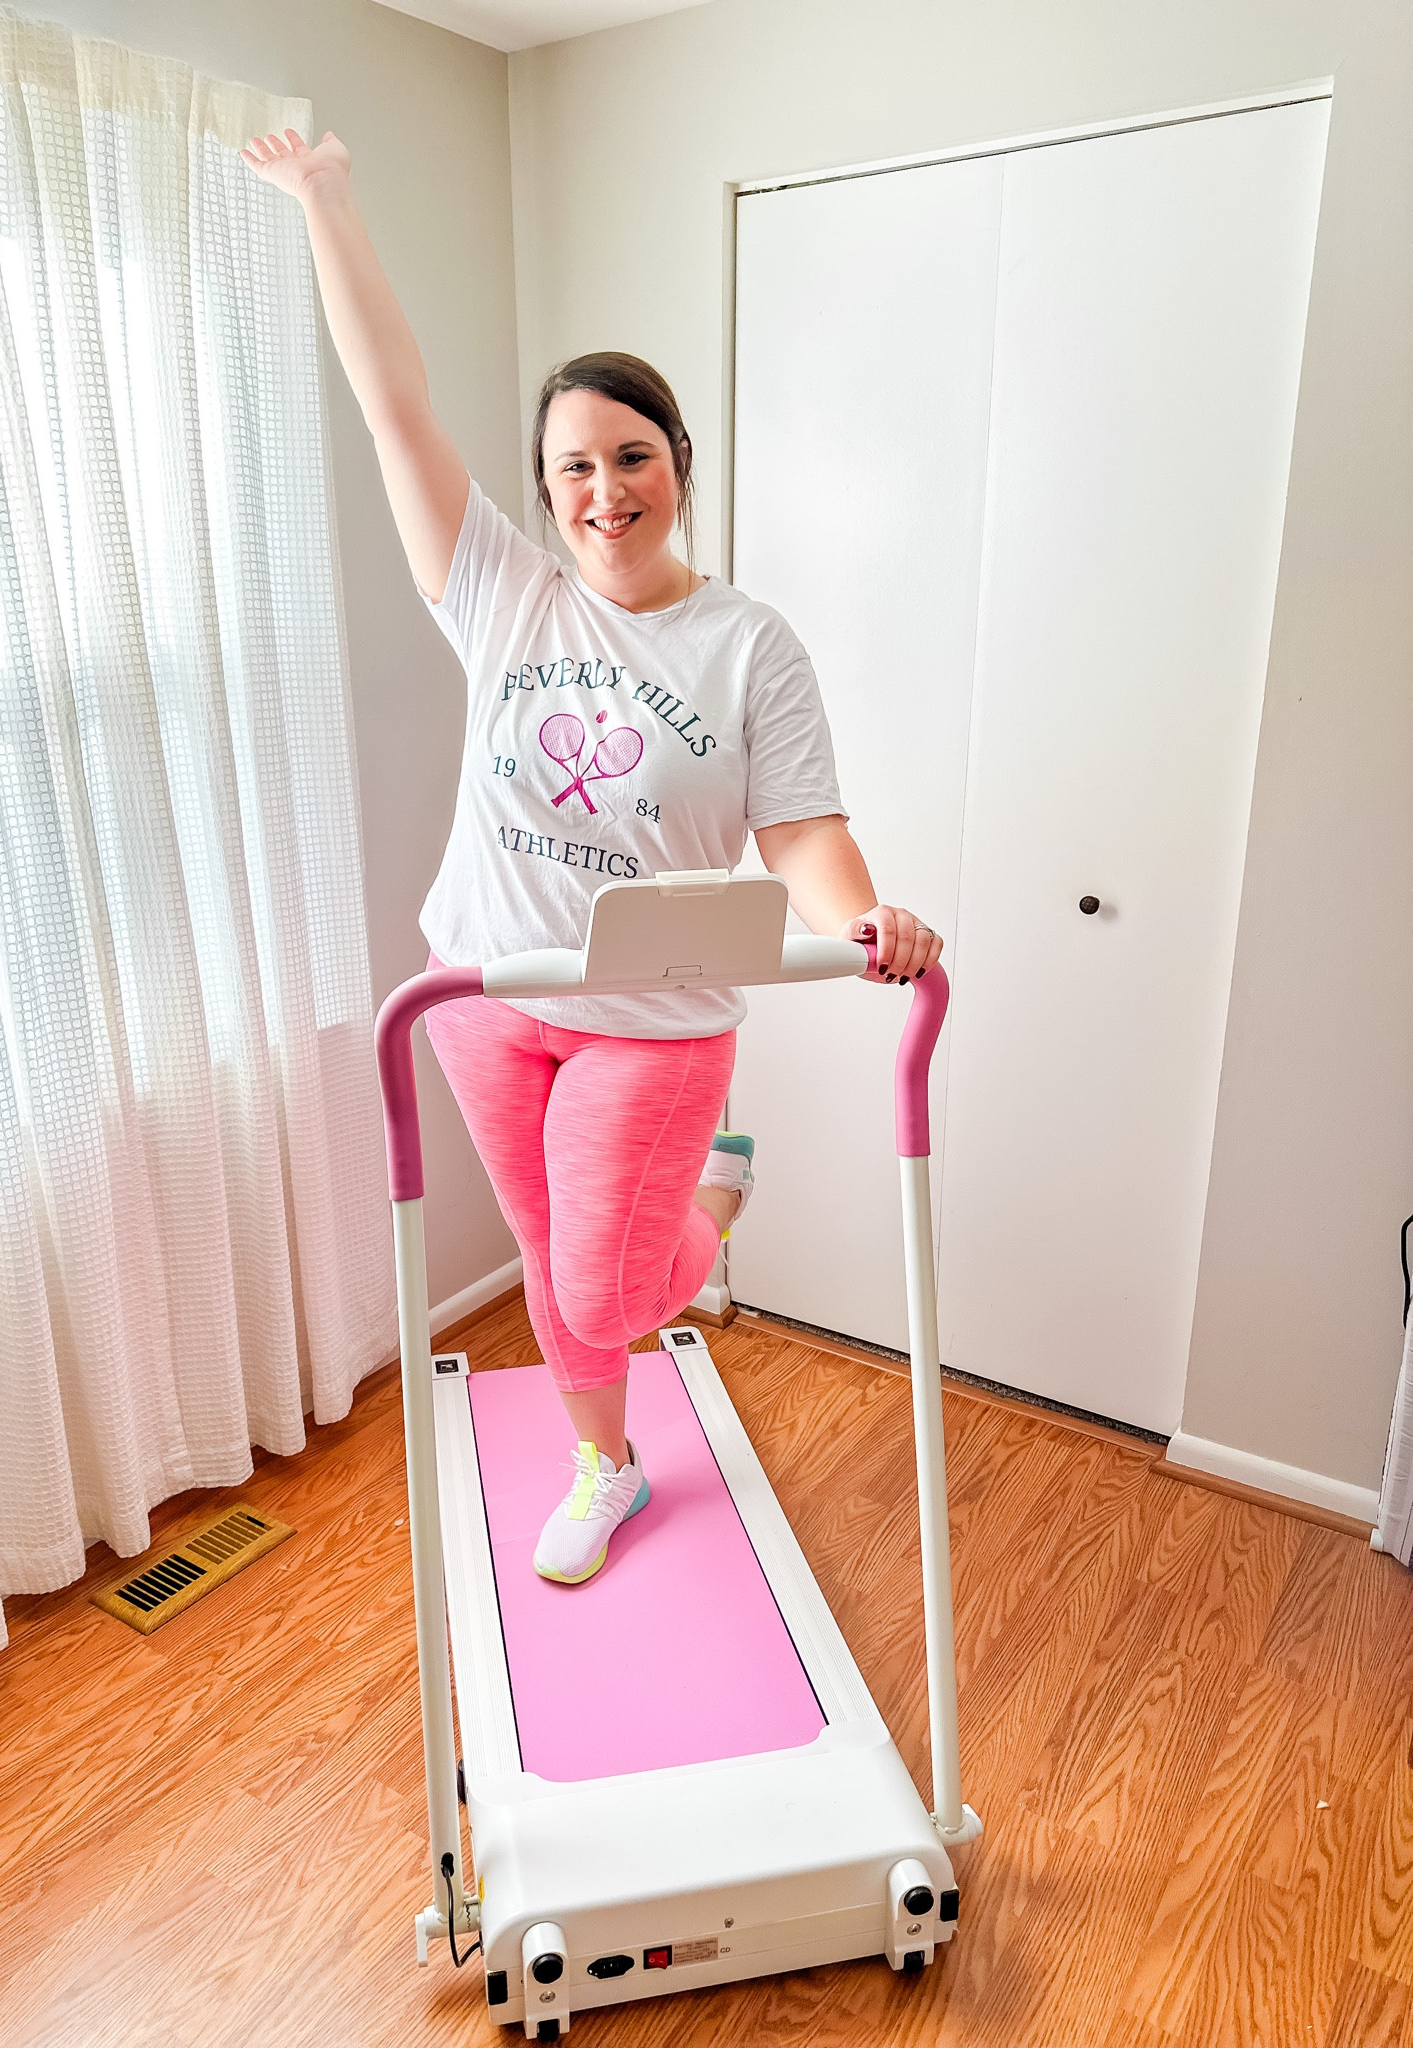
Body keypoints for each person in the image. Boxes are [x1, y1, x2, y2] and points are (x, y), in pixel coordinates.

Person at [242, 128, 944, 1587]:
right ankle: (605, 1464)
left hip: (653, 1019)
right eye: (574, 465)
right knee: (551, 1261)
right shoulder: (501, 591)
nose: (604, 490)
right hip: (483, 992)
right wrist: (326, 197)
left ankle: (716, 1193)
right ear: (544, 486)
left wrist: (867, 917)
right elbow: (393, 407)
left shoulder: (748, 644)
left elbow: (800, 826)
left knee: (607, 1284)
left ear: (678, 466)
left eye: (632, 457)